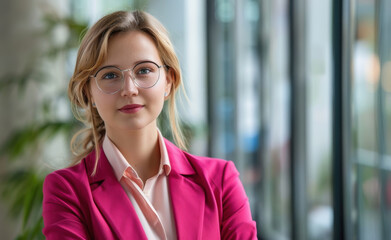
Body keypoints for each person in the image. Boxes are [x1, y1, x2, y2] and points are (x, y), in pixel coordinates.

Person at [42, 10, 257, 240]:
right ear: (89, 92)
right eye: (110, 75)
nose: (129, 89)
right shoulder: (67, 191)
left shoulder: (221, 181)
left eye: (144, 70)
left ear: (168, 81)